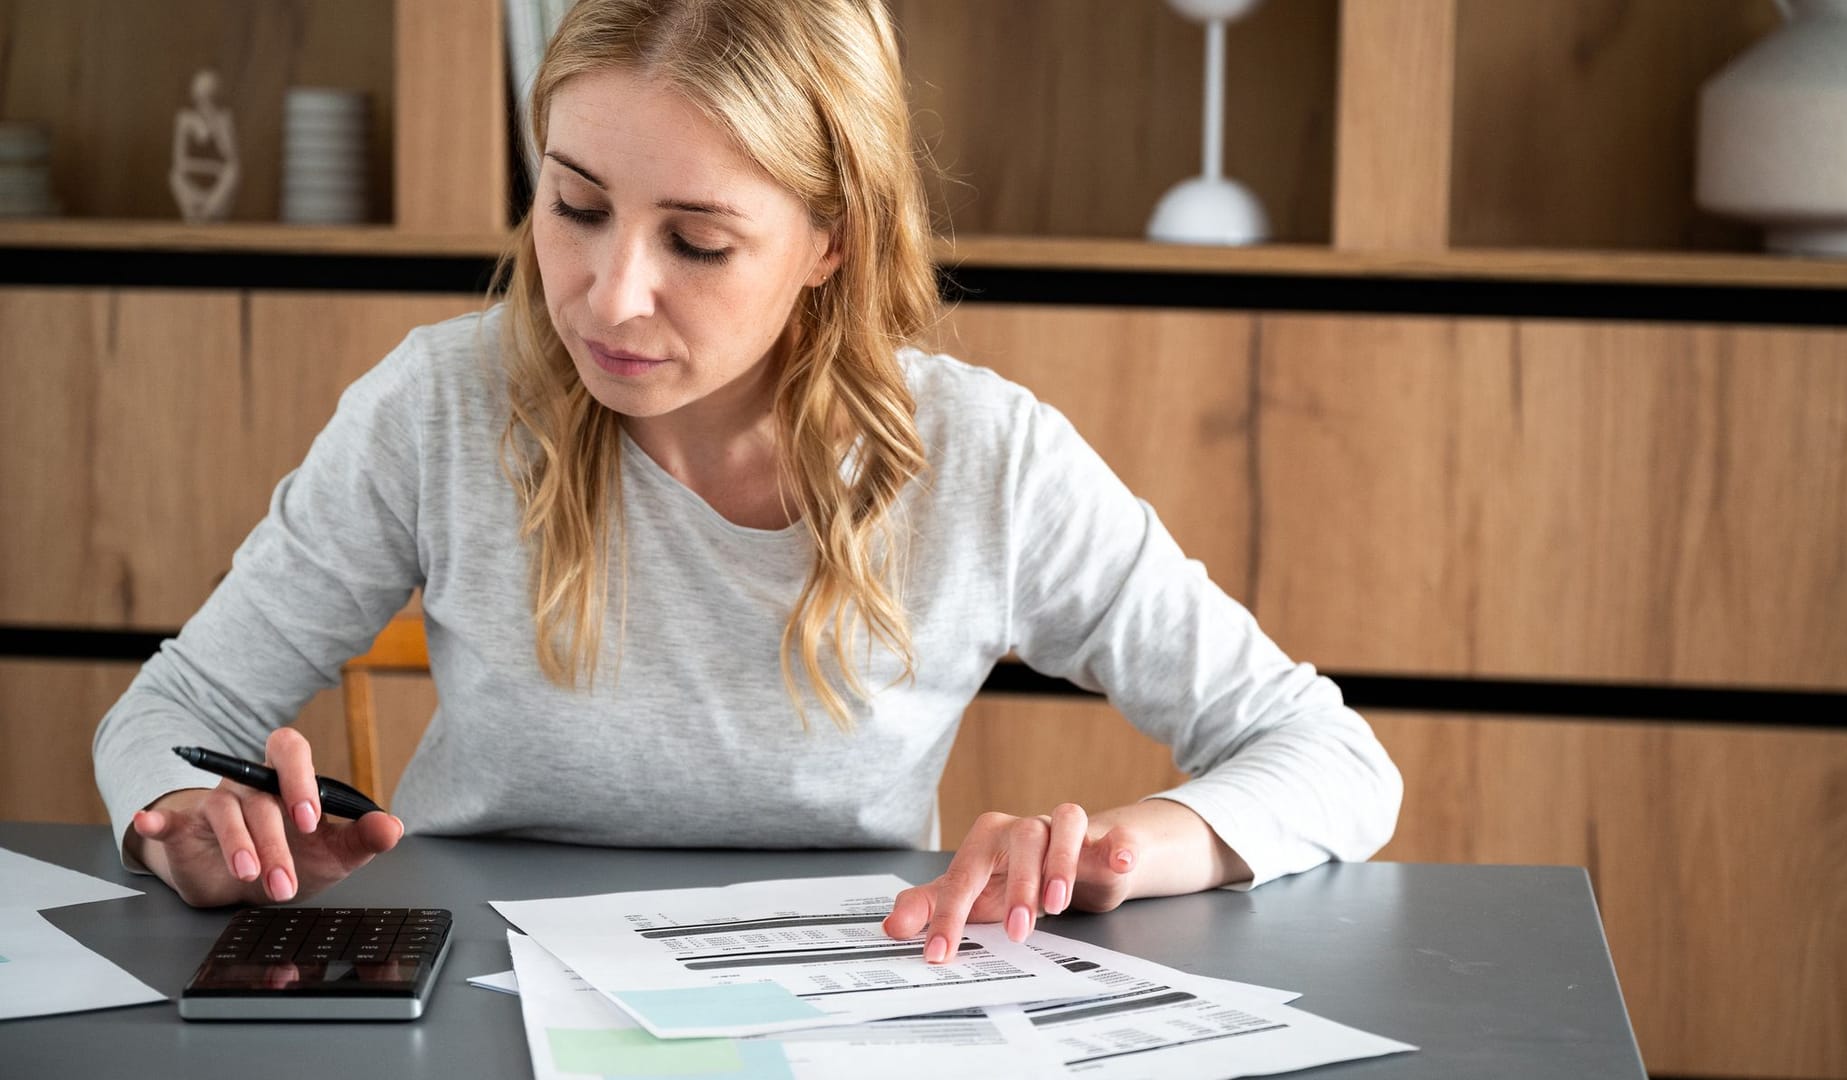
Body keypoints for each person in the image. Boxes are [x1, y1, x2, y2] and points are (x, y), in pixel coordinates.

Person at [93, 0, 1401, 961]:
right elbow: (175, 708)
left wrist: (1112, 855)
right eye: (575, 206)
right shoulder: (437, 406)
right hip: (485, 999)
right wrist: (180, 818)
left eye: (700, 241)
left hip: (856, 1005)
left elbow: (1330, 758)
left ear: (830, 241)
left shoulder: (984, 458)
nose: (609, 294)